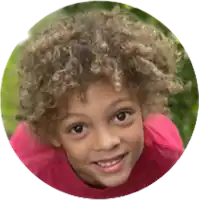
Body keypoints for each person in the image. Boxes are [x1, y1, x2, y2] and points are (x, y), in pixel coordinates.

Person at [9, 6, 185, 198]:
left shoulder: (167, 160)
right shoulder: (29, 165)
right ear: (52, 134)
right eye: (78, 128)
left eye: (121, 116)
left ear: (143, 107)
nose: (106, 142)